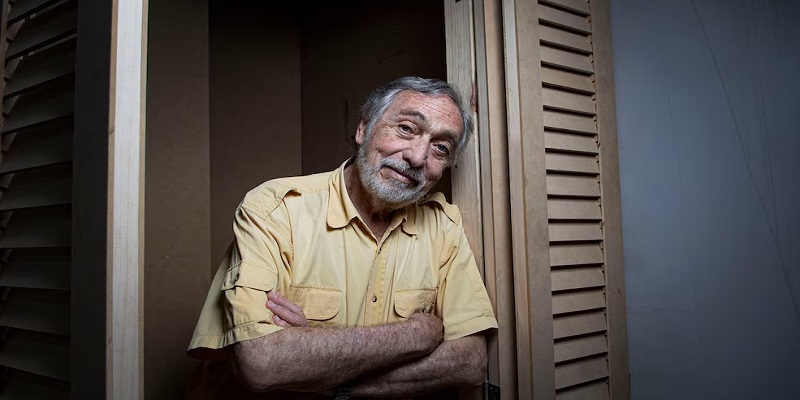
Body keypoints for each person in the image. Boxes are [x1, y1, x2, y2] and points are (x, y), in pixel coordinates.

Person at [187, 76, 498, 399]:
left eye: (441, 148)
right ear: (363, 129)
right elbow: (262, 363)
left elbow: (469, 362)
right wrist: (418, 334)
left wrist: (323, 367)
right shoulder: (276, 208)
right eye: (406, 128)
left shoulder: (443, 225)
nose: (418, 157)